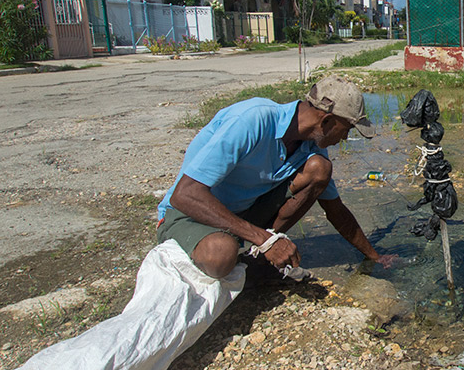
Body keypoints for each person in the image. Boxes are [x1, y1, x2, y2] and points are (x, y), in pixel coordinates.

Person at [156, 76, 389, 279]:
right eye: (346, 130)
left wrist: (375, 257)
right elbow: (185, 195)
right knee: (220, 254)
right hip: (191, 214)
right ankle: (254, 248)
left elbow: (336, 210)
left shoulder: (312, 149)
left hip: (242, 213)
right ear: (326, 121)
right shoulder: (252, 120)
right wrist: (263, 238)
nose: (345, 138)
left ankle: (256, 258)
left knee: (320, 169)